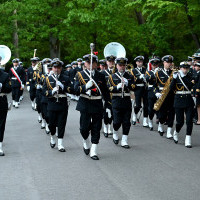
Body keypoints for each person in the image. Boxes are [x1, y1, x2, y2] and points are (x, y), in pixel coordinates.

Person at [74, 54, 111, 160]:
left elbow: (105, 92)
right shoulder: (79, 75)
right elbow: (75, 90)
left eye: (93, 63)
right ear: (85, 64)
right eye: (88, 63)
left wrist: (108, 105)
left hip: (97, 104)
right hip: (85, 104)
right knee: (84, 128)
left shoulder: (100, 76)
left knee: (96, 127)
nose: (91, 65)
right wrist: (86, 86)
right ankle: (85, 141)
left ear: (96, 64)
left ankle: (94, 150)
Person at [43, 59, 73, 152]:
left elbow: (71, 90)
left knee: (61, 124)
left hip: (62, 103)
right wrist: (51, 92)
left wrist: (63, 87)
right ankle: (52, 137)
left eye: (58, 67)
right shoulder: (48, 79)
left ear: (61, 68)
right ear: (52, 68)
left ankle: (60, 143)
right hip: (52, 103)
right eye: (55, 67)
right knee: (51, 124)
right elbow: (44, 92)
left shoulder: (65, 78)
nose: (56, 69)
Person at [107, 57, 135, 148]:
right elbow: (108, 88)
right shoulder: (112, 76)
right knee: (117, 121)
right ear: (116, 65)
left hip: (126, 100)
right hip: (116, 100)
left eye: (123, 65)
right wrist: (116, 87)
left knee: (126, 121)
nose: (122, 67)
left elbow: (134, 87)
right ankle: (115, 132)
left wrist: (128, 84)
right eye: (120, 65)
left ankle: (124, 140)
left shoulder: (130, 76)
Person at [171, 62, 194, 147]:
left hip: (188, 100)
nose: (185, 69)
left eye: (187, 68)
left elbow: (190, 85)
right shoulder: (176, 76)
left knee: (189, 121)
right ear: (180, 68)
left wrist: (184, 77)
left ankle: (188, 139)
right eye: (183, 68)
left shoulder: (190, 76)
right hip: (179, 100)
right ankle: (176, 132)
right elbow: (171, 89)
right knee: (180, 122)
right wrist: (174, 79)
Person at [154, 55, 175, 138]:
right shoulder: (158, 73)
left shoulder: (174, 72)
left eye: (170, 62)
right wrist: (156, 93)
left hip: (172, 95)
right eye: (167, 62)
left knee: (171, 113)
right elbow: (154, 85)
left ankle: (169, 130)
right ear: (163, 63)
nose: (168, 64)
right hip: (162, 95)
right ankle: (160, 124)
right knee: (162, 114)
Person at [101, 55, 116, 137]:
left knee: (114, 112)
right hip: (106, 95)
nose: (111, 63)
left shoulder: (117, 72)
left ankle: (110, 127)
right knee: (107, 112)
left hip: (115, 95)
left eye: (113, 62)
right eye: (110, 62)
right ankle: (105, 127)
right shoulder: (103, 73)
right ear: (107, 62)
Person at [131, 56, 148, 127]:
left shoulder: (145, 69)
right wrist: (138, 78)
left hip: (145, 88)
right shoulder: (133, 71)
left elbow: (148, 77)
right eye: (138, 61)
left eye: (141, 61)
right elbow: (132, 80)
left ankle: (145, 120)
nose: (140, 63)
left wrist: (146, 78)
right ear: (136, 62)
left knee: (146, 105)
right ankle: (134, 115)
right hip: (137, 88)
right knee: (138, 105)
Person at [145, 57, 160, 130]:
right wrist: (154, 73)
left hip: (159, 91)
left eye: (156, 64)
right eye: (154, 65)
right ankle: (150, 121)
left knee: (159, 107)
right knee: (151, 108)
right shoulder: (149, 72)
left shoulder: (160, 71)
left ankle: (160, 121)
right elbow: (147, 79)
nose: (155, 66)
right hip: (151, 91)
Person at [0, 67, 12, 156]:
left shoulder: (5, 75)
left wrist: (2, 86)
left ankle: (0, 146)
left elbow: (9, 89)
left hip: (1, 101)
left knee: (1, 125)